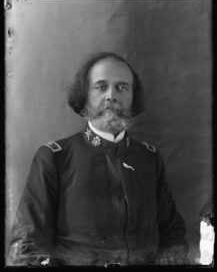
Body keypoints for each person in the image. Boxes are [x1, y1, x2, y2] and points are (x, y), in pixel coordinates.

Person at [7, 52, 189, 266]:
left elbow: (173, 234)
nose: (111, 95)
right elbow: (26, 248)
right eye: (101, 87)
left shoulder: (149, 158)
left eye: (122, 87)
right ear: (85, 96)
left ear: (133, 97)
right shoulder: (54, 158)